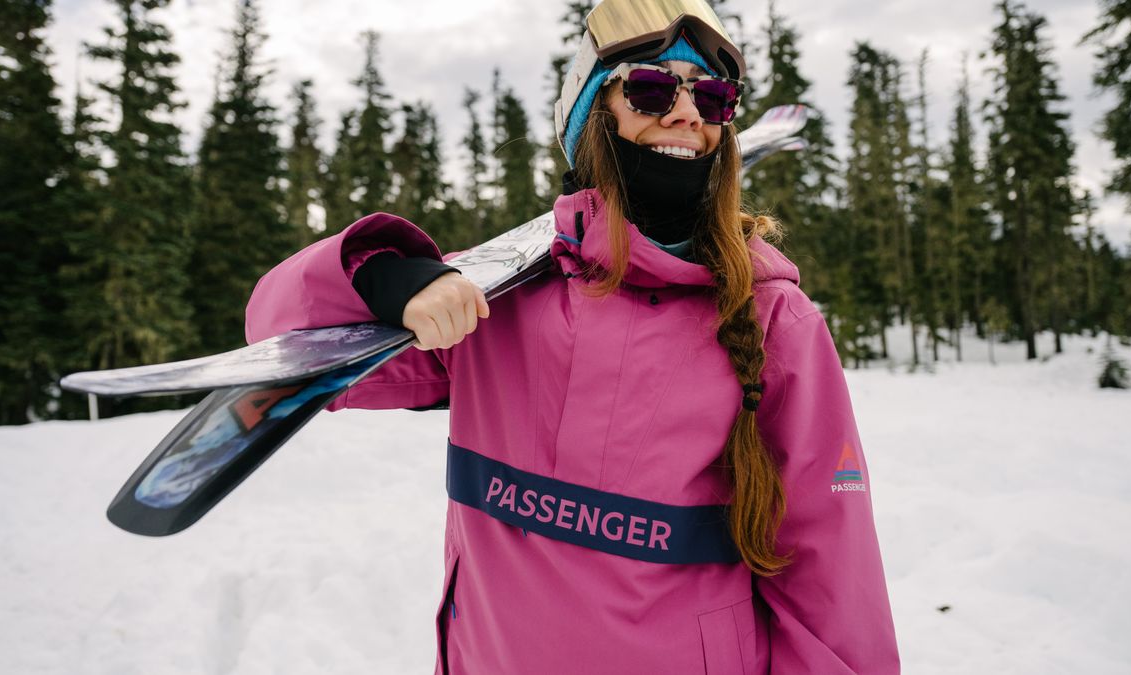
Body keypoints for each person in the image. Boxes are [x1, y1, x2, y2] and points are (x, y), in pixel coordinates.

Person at [246, 0, 899, 672]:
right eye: (650, 89)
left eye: (711, 96)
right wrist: (382, 276)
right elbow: (283, 343)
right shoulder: (500, 300)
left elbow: (832, 577)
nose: (686, 115)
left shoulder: (774, 321)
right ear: (594, 120)